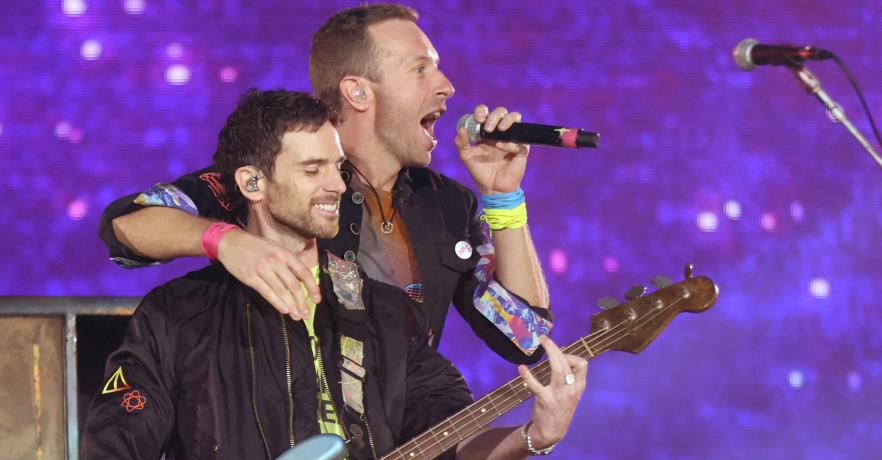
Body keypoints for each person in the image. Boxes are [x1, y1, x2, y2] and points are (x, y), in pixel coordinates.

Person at [78, 89, 587, 460]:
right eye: (312, 169)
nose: (339, 187)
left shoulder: (385, 312)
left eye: (338, 169)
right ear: (253, 184)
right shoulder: (176, 315)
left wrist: (533, 437)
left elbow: (445, 450)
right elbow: (113, 451)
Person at [99, 3, 551, 364]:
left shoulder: (449, 205)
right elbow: (127, 227)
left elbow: (525, 340)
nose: (448, 86)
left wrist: (502, 195)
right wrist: (227, 241)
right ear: (358, 92)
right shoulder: (283, 178)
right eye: (421, 69)